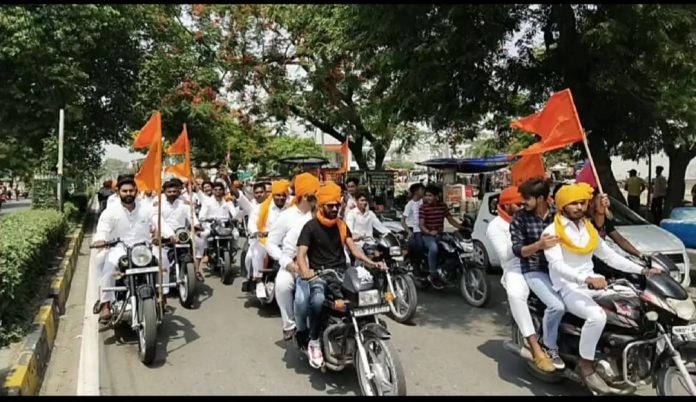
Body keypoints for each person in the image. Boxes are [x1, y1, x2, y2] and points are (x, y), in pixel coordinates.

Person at [543, 182, 661, 393]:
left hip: (595, 283)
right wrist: (585, 278)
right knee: (597, 316)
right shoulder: (551, 232)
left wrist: (642, 271)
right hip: (569, 287)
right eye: (574, 203)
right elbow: (557, 265)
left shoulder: (588, 229)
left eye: (582, 202)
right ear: (562, 205)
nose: (579, 207)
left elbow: (610, 256)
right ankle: (585, 365)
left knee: (637, 303)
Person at [295, 182, 382, 369]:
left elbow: (354, 249)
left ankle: (364, 332)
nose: (334, 208)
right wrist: (306, 272)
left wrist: (372, 262)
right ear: (321, 206)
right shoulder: (310, 227)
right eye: (330, 205)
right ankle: (314, 341)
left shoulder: (341, 226)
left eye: (337, 205)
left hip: (342, 272)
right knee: (317, 300)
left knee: (365, 295)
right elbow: (301, 254)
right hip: (320, 275)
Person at [487, 186, 555, 372]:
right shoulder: (495, 226)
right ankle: (534, 346)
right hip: (515, 267)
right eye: (518, 203)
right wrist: (524, 243)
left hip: (545, 263)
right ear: (506, 206)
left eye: (524, 201)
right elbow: (504, 255)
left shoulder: (538, 215)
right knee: (516, 295)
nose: (522, 206)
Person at [91, 175, 175, 321]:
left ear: (136, 191)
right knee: (108, 268)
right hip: (119, 248)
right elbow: (103, 228)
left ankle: (163, 296)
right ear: (118, 192)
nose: (128, 194)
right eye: (125, 191)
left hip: (144, 247)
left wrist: (170, 234)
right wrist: (101, 240)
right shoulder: (111, 211)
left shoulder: (145, 207)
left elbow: (158, 221)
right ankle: (105, 304)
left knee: (163, 260)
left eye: (131, 191)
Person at [510, 178, 566, 370]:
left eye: (526, 198)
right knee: (557, 306)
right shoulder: (520, 218)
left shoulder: (559, 216)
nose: (522, 202)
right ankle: (548, 347)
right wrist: (539, 245)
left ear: (541, 198)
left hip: (562, 270)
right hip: (534, 270)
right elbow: (518, 250)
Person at [265, 173, 321, 340]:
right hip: (293, 263)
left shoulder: (321, 213)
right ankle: (289, 324)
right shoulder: (287, 216)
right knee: (282, 284)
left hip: (319, 262)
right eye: (315, 193)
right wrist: (287, 263)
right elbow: (271, 244)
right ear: (305, 196)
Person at [419, 184, 469, 289]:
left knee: (455, 244)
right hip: (427, 236)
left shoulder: (443, 206)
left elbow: (451, 220)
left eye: (430, 195)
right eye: (426, 195)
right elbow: (421, 225)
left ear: (436, 196)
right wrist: (429, 232)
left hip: (440, 234)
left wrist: (462, 228)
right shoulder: (423, 208)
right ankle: (432, 274)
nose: (427, 198)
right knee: (434, 248)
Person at [247, 180, 290, 298]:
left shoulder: (291, 208)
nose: (281, 198)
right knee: (256, 251)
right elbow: (252, 222)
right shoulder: (262, 208)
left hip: (286, 242)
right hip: (266, 240)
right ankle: (259, 280)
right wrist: (256, 232)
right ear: (273, 195)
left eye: (283, 195)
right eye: (278, 195)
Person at [158, 180, 202, 281]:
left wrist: (196, 225)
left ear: (178, 192)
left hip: (182, 234)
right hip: (164, 237)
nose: (172, 193)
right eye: (169, 192)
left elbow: (191, 217)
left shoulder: (184, 205)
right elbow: (155, 220)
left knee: (199, 242)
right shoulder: (159, 205)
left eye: (174, 191)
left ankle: (195, 269)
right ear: (164, 192)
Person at [195, 182, 241, 274]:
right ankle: (202, 257)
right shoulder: (207, 202)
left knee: (236, 234)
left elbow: (234, 213)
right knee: (203, 236)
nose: (218, 192)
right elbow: (201, 216)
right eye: (215, 190)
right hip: (211, 226)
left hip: (225, 226)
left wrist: (237, 217)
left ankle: (232, 251)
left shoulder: (227, 201)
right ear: (212, 191)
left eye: (220, 190)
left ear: (223, 191)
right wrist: (206, 219)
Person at [401, 183, 425, 276]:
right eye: (421, 190)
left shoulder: (422, 202)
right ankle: (415, 265)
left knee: (421, 245)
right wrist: (408, 231)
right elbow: (402, 220)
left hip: (420, 228)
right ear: (416, 192)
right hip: (412, 228)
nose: (423, 192)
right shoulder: (409, 204)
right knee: (416, 245)